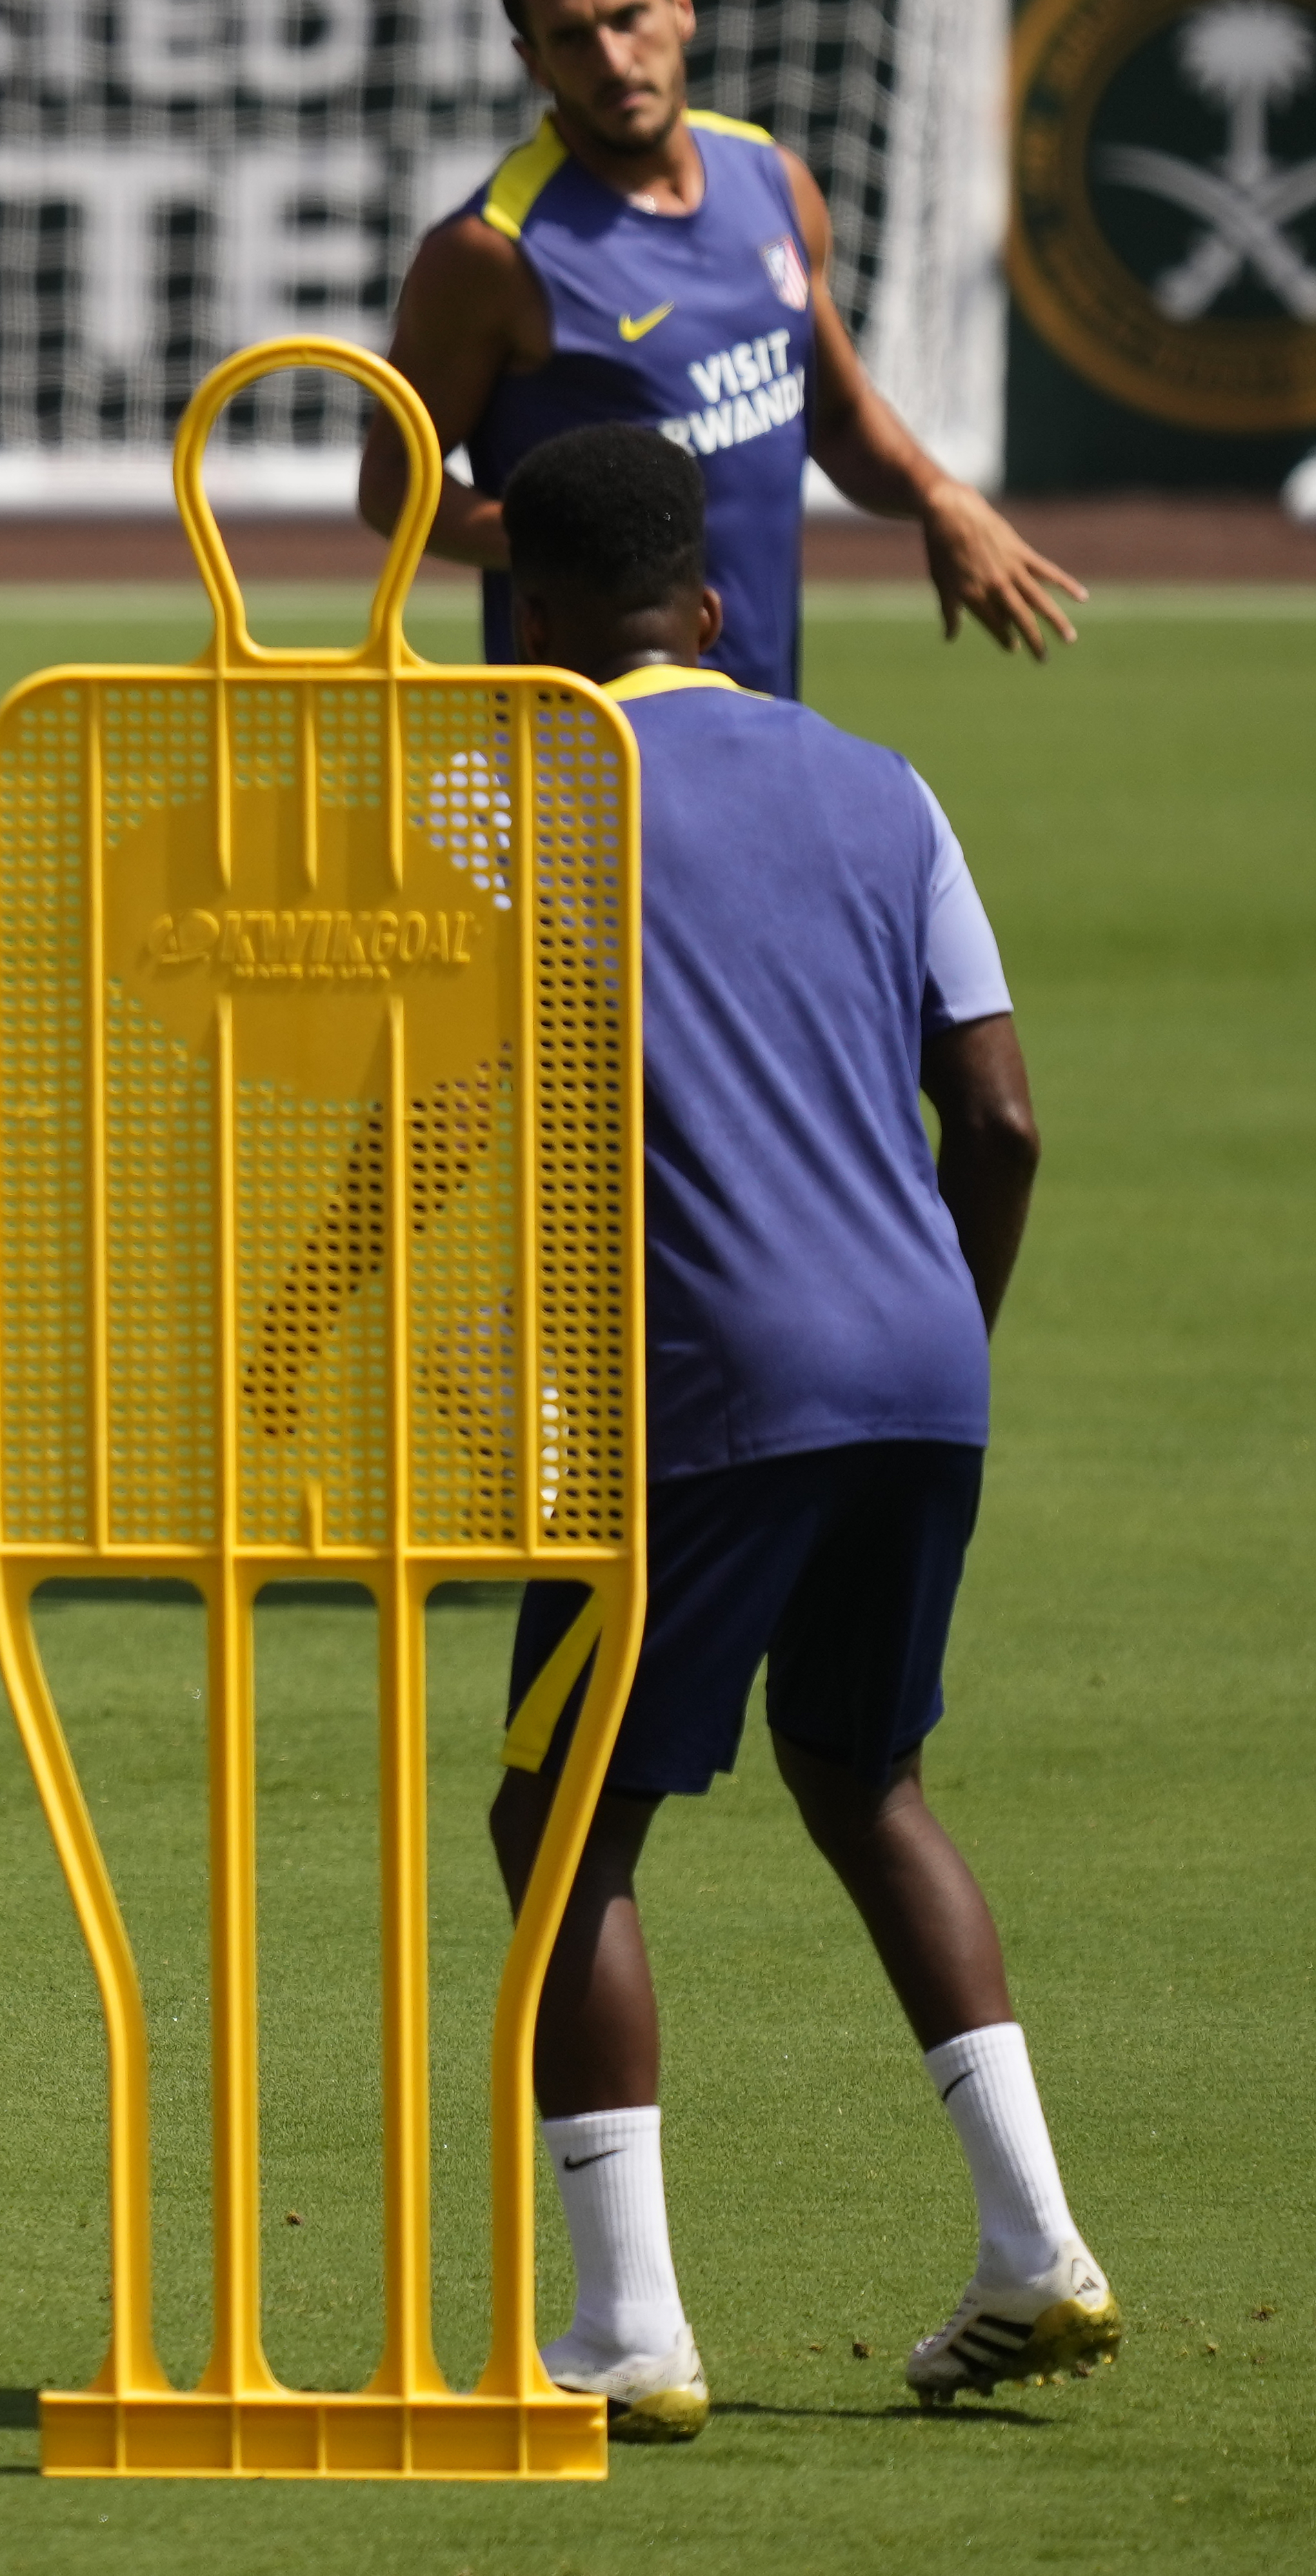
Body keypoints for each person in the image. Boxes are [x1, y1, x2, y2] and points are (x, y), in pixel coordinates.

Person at [486, 421, 1115, 2443]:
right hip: (922, 1367)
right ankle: (1033, 2243)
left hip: (699, 1392)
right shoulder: (883, 782)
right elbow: (998, 1119)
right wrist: (941, 1338)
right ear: (718, 597)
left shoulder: (523, 789)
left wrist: (303, 1318)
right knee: (865, 1771)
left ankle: (625, 2326)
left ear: (531, 612)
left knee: (558, 1823)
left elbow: (440, 1103)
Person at [363, 0, 1084, 701]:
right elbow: (389, 484)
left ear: (680, 8)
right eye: (572, 38)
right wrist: (560, 547)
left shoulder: (774, 184)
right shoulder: (492, 250)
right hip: (587, 749)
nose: (612, 59)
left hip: (764, 721)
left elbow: (836, 419)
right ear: (533, 64)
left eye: (628, 17)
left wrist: (939, 495)